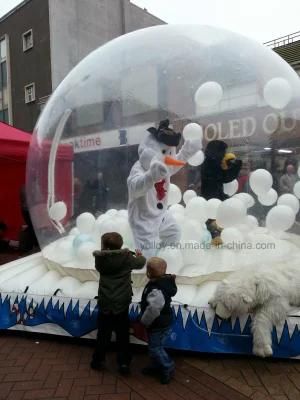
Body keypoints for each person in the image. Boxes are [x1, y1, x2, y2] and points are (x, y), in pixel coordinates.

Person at [91, 232, 146, 374]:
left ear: (103, 245)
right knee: (122, 334)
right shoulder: (127, 258)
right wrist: (139, 255)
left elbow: (103, 263)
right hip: (121, 302)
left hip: (105, 301)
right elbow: (140, 264)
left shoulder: (100, 259)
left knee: (103, 333)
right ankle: (123, 363)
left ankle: (98, 360)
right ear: (120, 244)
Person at [140, 257, 177, 384]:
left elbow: (154, 309)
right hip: (161, 322)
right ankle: (156, 365)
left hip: (158, 324)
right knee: (155, 346)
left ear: (148, 273)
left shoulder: (156, 289)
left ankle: (168, 366)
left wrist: (144, 321)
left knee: (156, 348)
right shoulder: (164, 282)